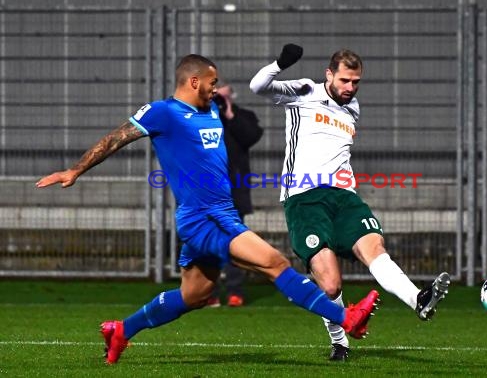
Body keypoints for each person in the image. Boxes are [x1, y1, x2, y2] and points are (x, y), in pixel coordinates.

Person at [35, 54, 380, 365]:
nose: (217, 89)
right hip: (204, 217)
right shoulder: (163, 112)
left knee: (195, 295)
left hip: (219, 214)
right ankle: (347, 319)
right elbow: (115, 137)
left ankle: (122, 330)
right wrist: (75, 170)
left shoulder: (212, 110)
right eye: (213, 83)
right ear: (194, 81)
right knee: (275, 263)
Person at [250, 44, 451, 362]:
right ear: (329, 74)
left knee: (375, 249)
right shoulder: (304, 90)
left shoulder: (352, 107)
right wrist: (280, 63)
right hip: (305, 198)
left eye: (356, 82)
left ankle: (419, 300)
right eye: (344, 80)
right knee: (330, 285)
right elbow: (258, 86)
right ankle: (340, 342)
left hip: (345, 196)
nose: (350, 88)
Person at [207, 82, 264, 307]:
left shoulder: (242, 116)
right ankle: (207, 292)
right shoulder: (203, 117)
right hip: (209, 188)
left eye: (224, 94)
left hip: (234, 190)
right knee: (208, 241)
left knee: (235, 242)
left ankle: (234, 291)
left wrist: (229, 111)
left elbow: (250, 136)